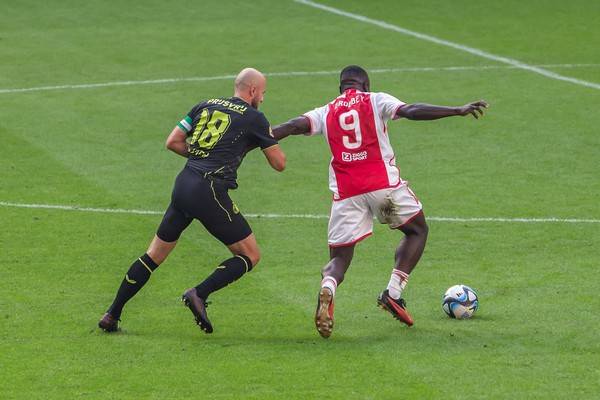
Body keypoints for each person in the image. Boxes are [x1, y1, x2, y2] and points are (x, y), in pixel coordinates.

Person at [272, 65, 487, 338]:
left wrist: (254, 138)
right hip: (383, 188)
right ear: (366, 84)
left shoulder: (326, 111)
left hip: (347, 194)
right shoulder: (375, 100)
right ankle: (393, 292)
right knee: (417, 230)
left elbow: (292, 126)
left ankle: (329, 286)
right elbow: (411, 110)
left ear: (341, 88)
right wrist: (456, 110)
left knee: (339, 257)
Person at [99, 68, 286, 334]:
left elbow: (173, 142)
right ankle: (199, 293)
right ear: (253, 91)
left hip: (184, 184)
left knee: (154, 255)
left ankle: (112, 314)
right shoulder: (255, 118)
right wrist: (269, 135)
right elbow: (279, 164)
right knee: (250, 255)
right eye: (263, 93)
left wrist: (201, 156)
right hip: (209, 190)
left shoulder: (205, 105)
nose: (263, 99)